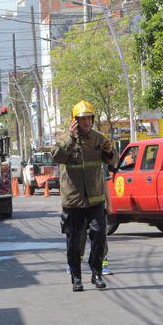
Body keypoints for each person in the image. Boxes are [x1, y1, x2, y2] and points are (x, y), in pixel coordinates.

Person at [51, 100, 117, 292]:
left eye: (89, 118)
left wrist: (109, 150)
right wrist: (70, 139)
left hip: (95, 199)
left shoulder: (99, 138)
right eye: (82, 119)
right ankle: (76, 277)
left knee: (99, 235)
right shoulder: (64, 139)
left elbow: (112, 161)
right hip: (73, 201)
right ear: (75, 121)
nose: (86, 122)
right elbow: (56, 157)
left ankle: (96, 273)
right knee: (73, 241)